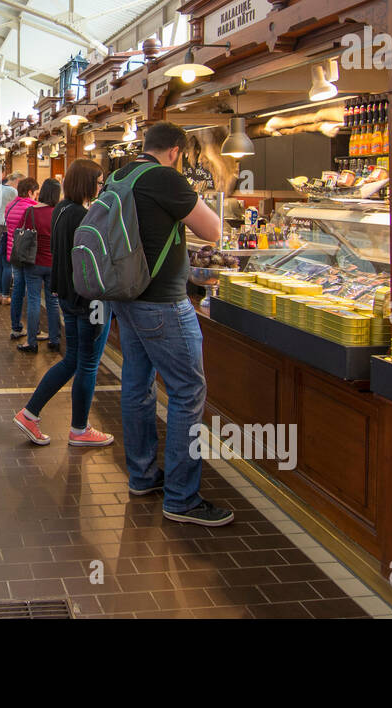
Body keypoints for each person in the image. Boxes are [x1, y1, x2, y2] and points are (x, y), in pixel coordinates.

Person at [106, 122, 231, 527]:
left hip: (127, 298)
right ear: (177, 151)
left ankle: (143, 475)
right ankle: (181, 498)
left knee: (137, 386)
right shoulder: (165, 178)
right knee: (187, 392)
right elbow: (213, 231)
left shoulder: (120, 175)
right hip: (163, 304)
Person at [13, 159, 114, 447]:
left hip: (68, 297)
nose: (100, 186)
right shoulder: (82, 215)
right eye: (97, 181)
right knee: (88, 364)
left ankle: (29, 413)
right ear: (86, 183)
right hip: (89, 301)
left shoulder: (61, 211)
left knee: (73, 360)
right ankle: (80, 429)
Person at [16, 177, 63, 354]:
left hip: (33, 262)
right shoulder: (59, 212)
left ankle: (31, 342)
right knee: (53, 301)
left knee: (34, 300)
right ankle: (54, 339)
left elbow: (20, 231)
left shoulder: (30, 212)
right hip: (54, 263)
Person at [4, 177, 38, 335]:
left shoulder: (10, 206)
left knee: (17, 289)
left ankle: (15, 327)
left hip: (14, 254)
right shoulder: (33, 208)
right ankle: (34, 330)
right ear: (30, 192)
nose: (36, 197)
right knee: (32, 293)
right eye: (35, 193)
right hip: (30, 256)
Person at [0, 171, 22, 304]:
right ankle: (6, 296)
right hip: (4, 230)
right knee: (7, 265)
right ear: (17, 181)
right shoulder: (13, 192)